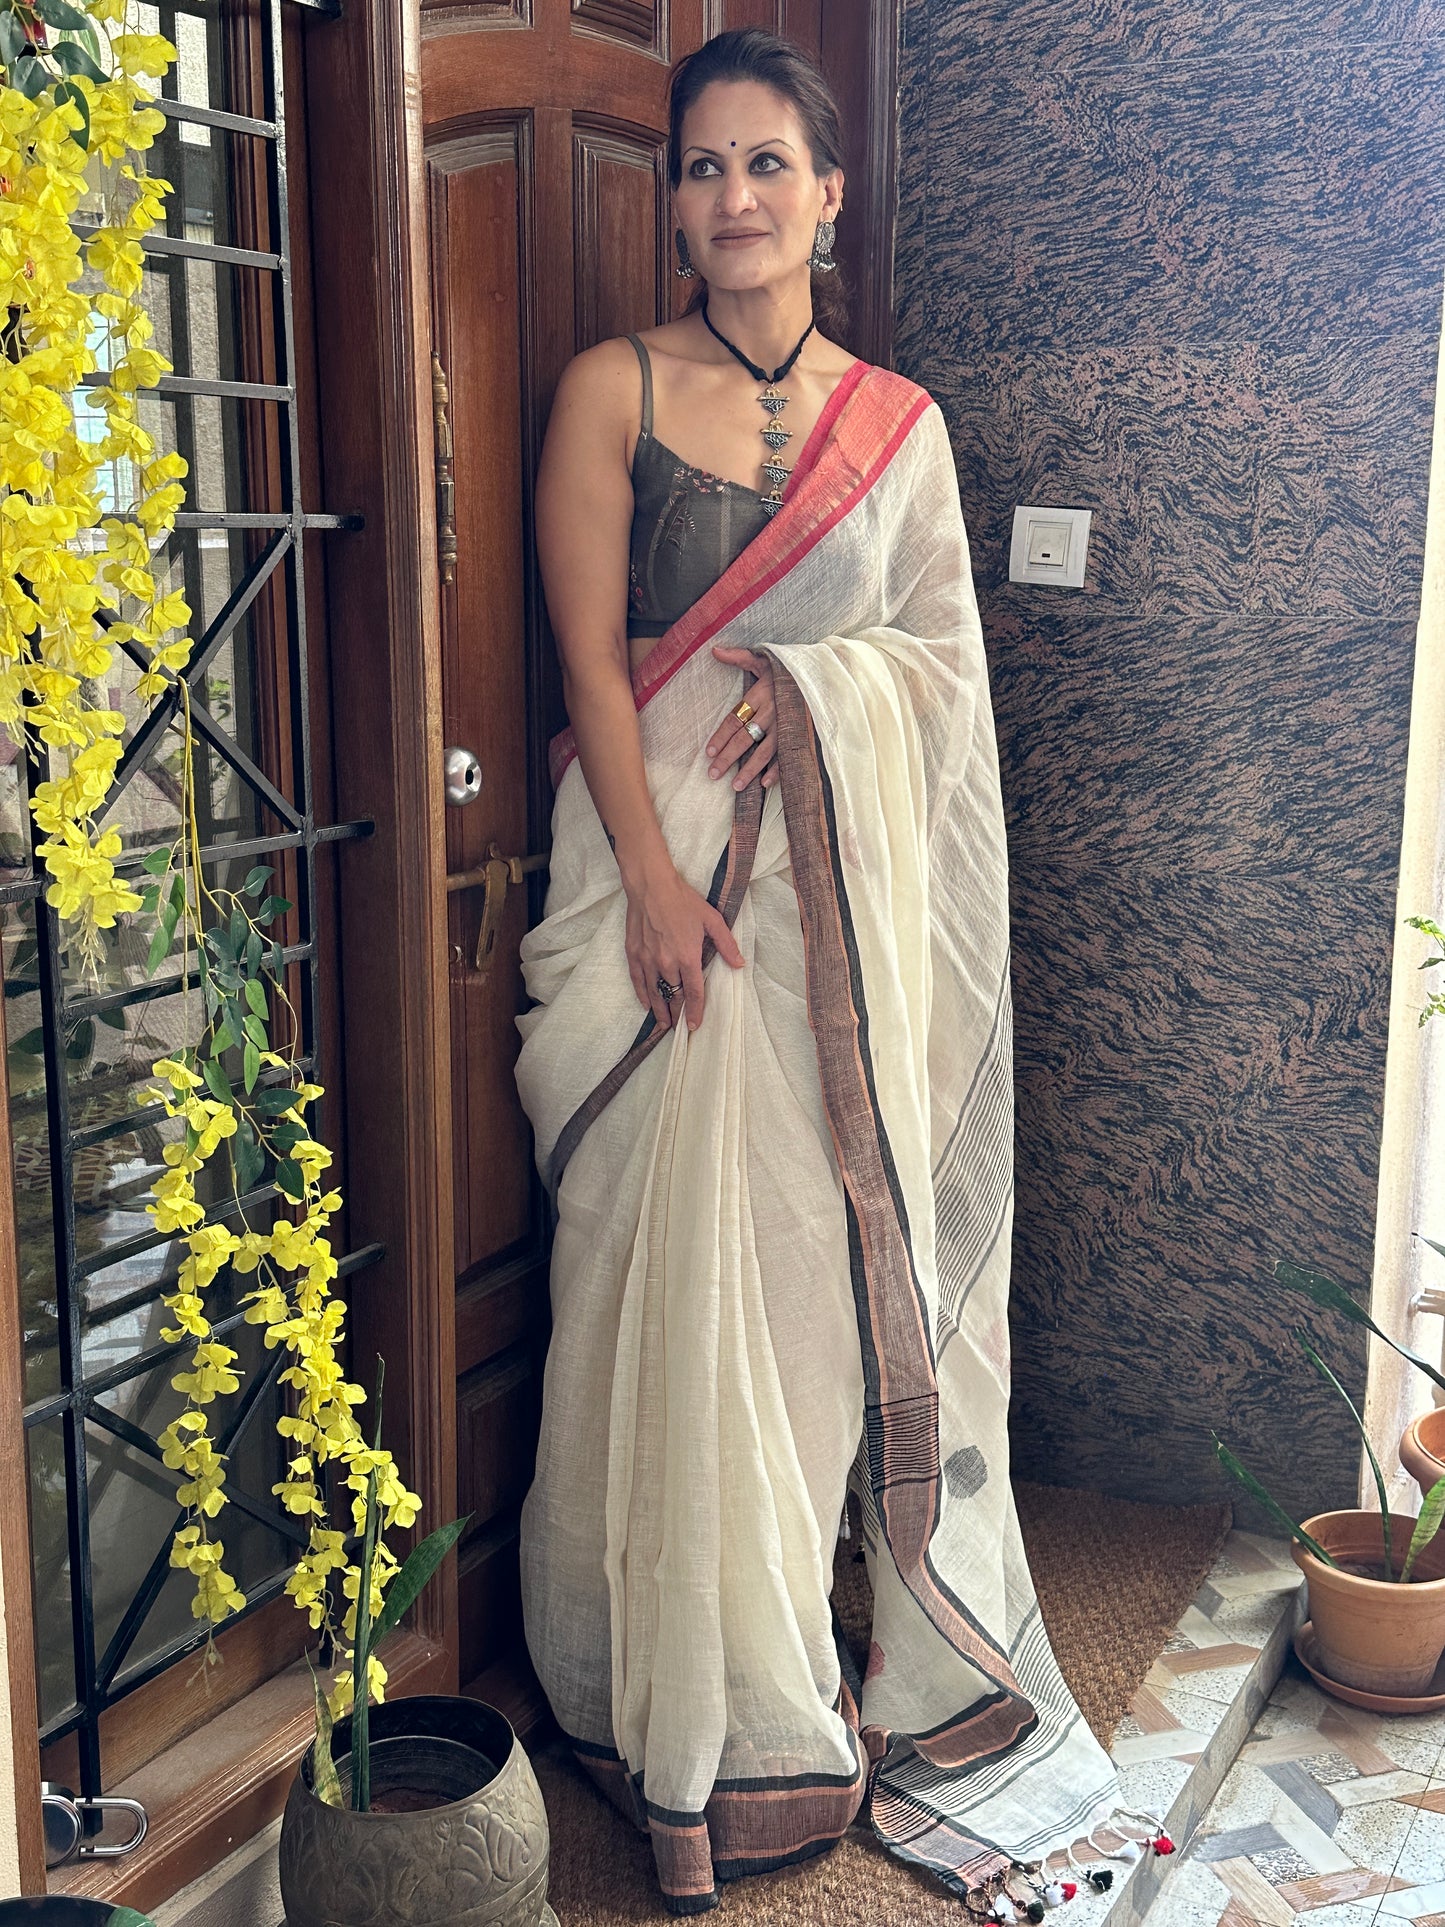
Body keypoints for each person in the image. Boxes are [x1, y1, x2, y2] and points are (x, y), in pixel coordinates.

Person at [515, 26, 1123, 1918]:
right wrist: (649, 882)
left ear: (828, 193)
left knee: (787, 1315)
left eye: (766, 164)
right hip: (661, 903)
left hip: (826, 943)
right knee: (639, 1280)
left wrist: (827, 687)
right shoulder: (609, 387)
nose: (732, 199)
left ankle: (778, 1680)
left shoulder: (904, 426)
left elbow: (940, 674)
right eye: (700, 168)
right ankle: (646, 1693)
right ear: (671, 195)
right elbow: (592, 665)